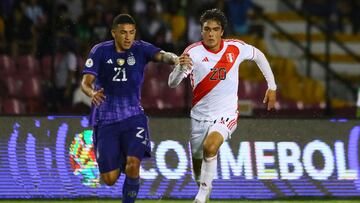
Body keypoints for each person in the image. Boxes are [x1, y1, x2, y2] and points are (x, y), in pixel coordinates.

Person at [168, 8, 277, 203]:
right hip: (199, 116)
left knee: (211, 147)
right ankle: (203, 185)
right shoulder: (192, 52)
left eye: (215, 29)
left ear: (222, 32)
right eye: (207, 29)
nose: (211, 33)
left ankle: (202, 196)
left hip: (226, 115)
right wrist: (179, 68)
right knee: (197, 162)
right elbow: (173, 83)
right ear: (201, 31)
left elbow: (259, 55)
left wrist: (272, 86)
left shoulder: (235, 48)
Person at [81, 14, 179, 203]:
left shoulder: (140, 49)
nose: (128, 37)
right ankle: (119, 156)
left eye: (131, 33)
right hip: (106, 120)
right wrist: (92, 93)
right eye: (123, 33)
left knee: (133, 165)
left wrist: (175, 59)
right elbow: (85, 82)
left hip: (134, 117)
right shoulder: (100, 51)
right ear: (114, 33)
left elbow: (162, 55)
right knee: (109, 179)